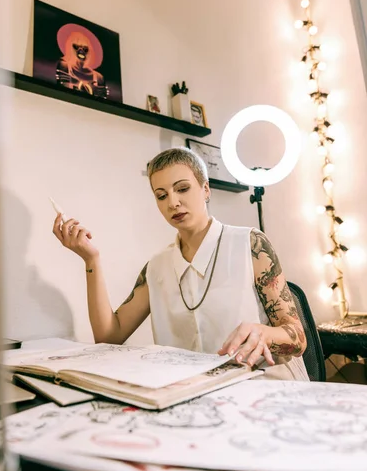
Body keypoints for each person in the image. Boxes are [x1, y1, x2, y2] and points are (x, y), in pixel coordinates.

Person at [52, 147, 308, 381]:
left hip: (262, 385)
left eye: (182, 189)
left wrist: (264, 333)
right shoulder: (157, 267)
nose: (172, 202)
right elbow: (109, 337)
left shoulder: (250, 244)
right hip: (191, 394)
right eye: (161, 195)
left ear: (205, 189)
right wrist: (91, 259)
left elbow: (297, 338)